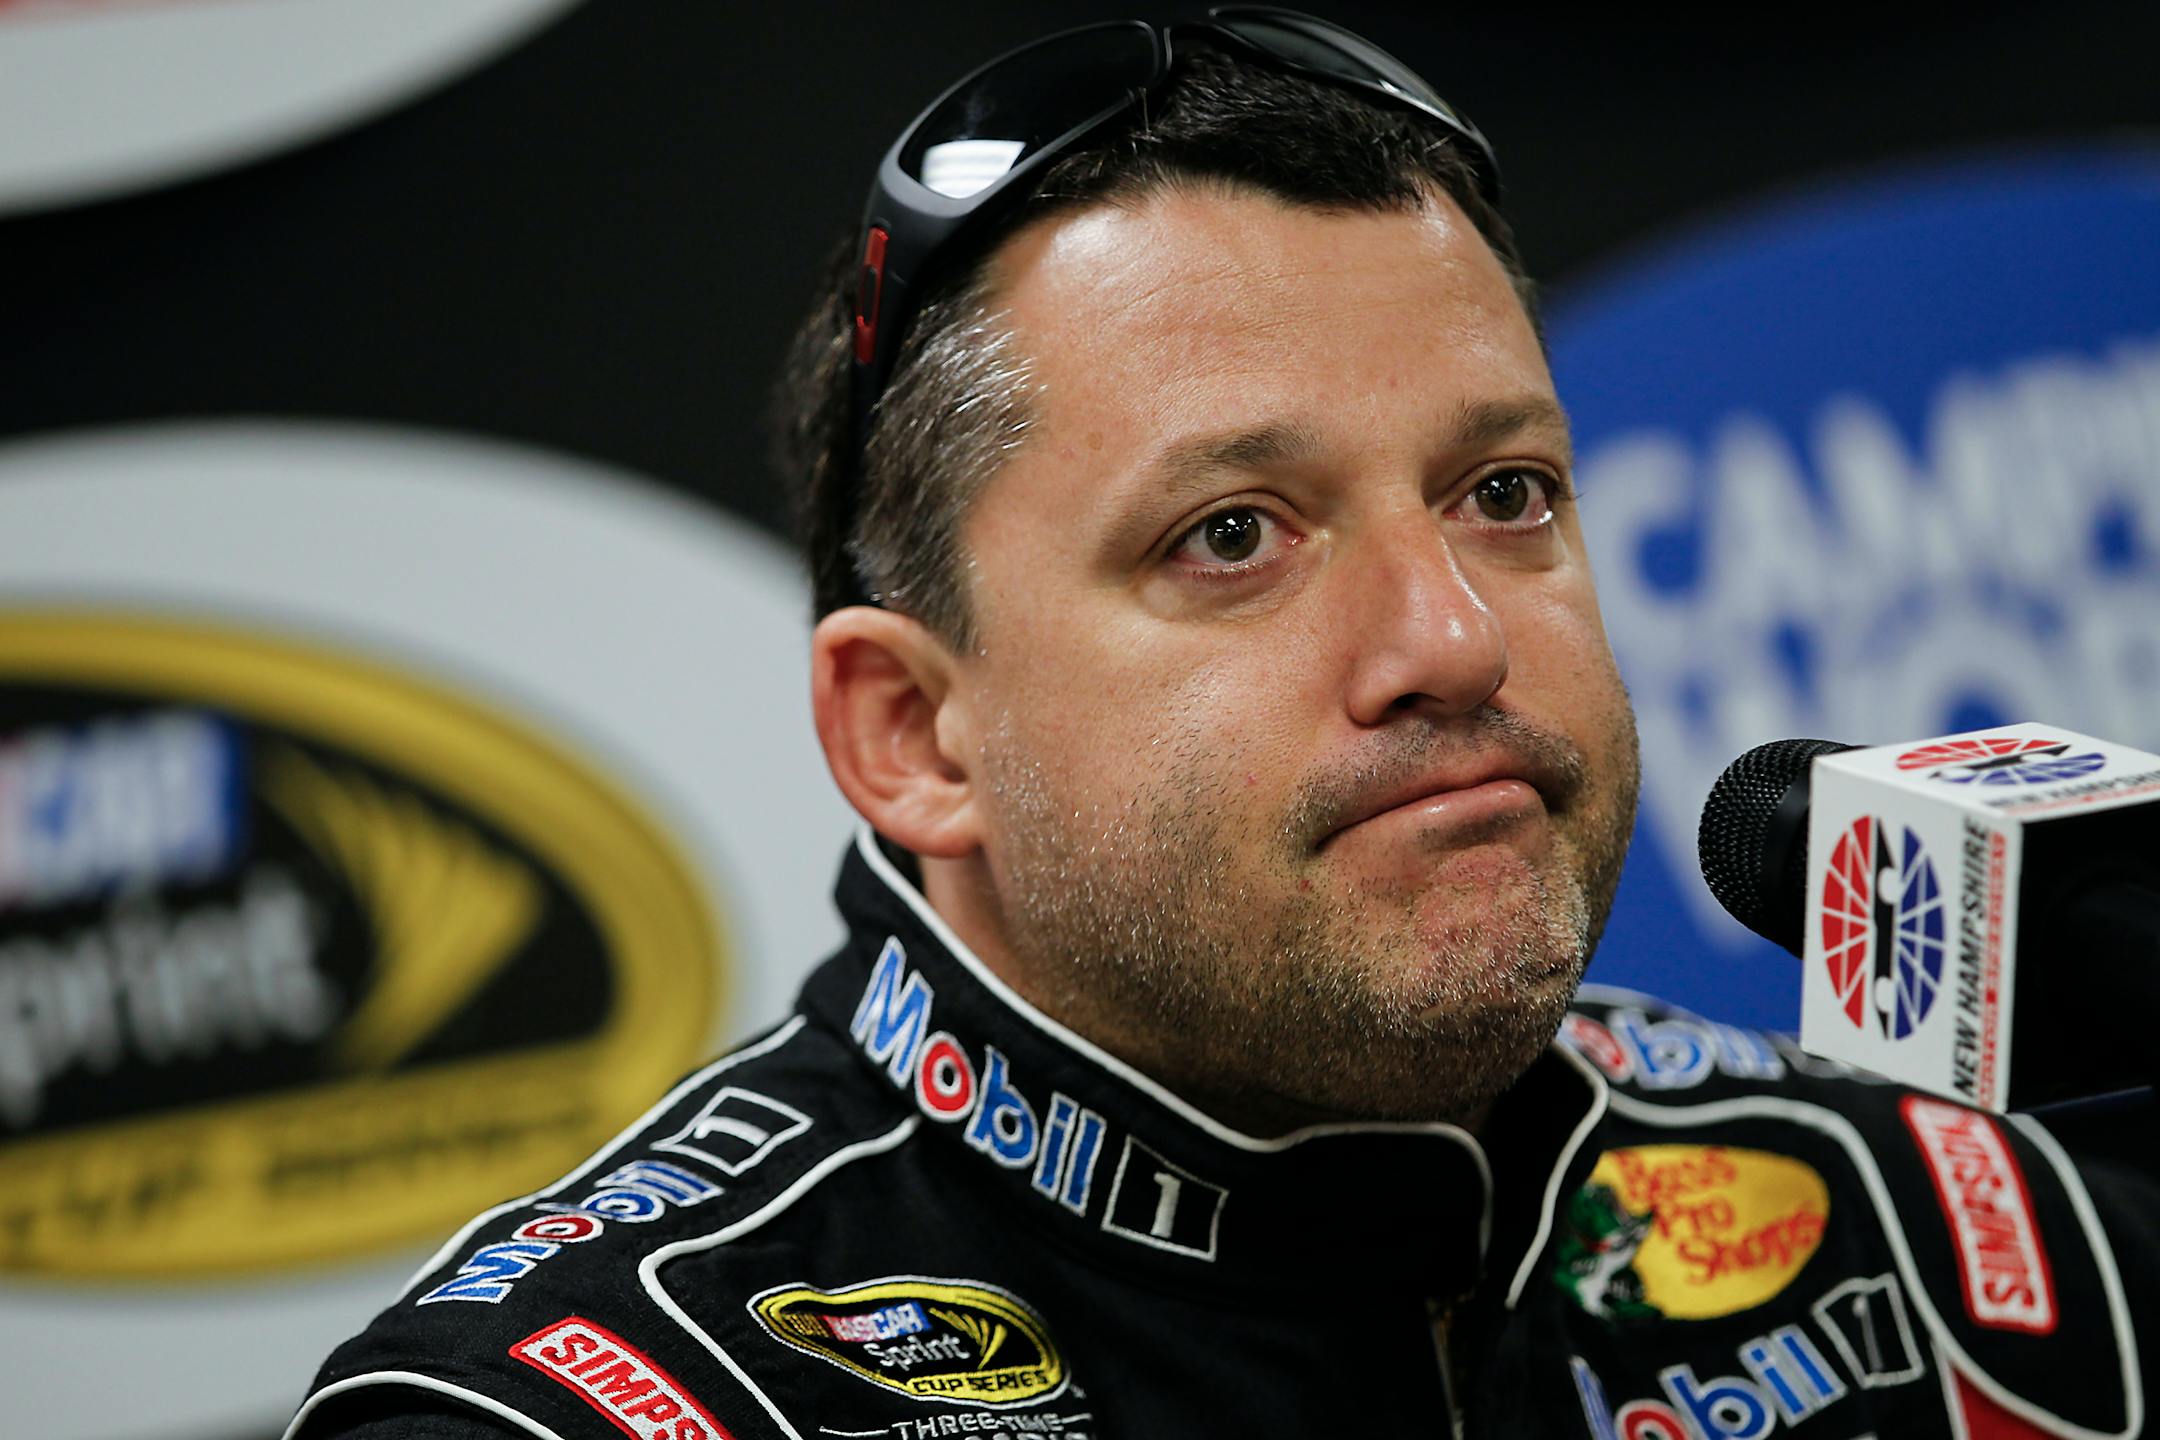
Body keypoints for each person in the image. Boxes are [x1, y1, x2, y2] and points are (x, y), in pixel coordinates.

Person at [286, 12, 2155, 1439]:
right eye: (1232, 536)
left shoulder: (1922, 1216)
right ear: (912, 736)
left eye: (1505, 492)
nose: (1447, 637)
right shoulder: (580, 1406)